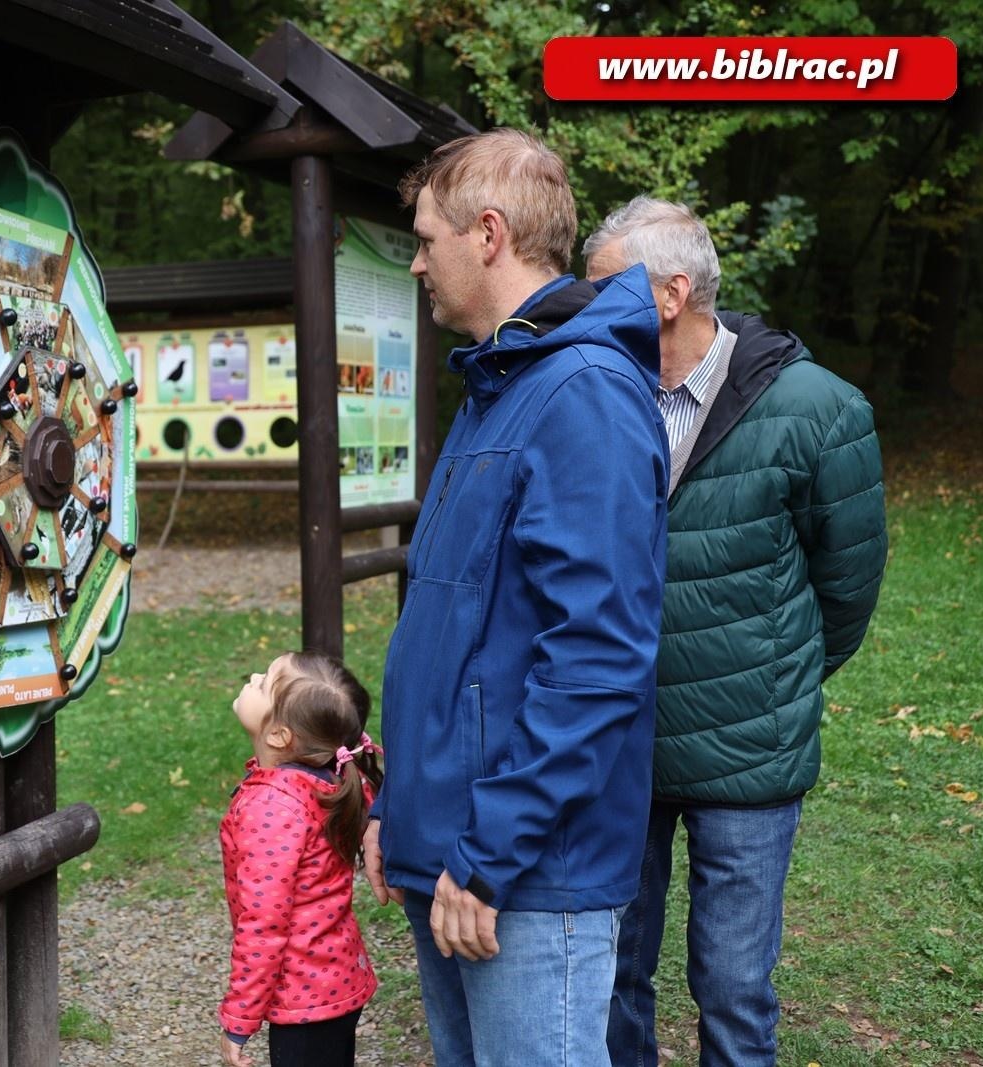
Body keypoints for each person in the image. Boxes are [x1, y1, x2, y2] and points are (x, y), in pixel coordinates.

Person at [361, 128, 669, 1066]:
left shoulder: (584, 394)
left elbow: (599, 656)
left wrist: (491, 851)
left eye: (425, 238)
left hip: (526, 879)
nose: (416, 262)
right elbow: (460, 628)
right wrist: (398, 807)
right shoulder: (503, 383)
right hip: (456, 851)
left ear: (487, 233)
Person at [583, 197, 888, 1067]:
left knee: (734, 986)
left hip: (748, 748)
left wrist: (773, 676)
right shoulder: (596, 398)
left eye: (605, 290)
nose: (584, 305)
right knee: (613, 970)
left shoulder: (819, 408)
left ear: (671, 295)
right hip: (621, 738)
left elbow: (847, 583)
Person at [218, 651, 384, 1067]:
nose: (254, 675)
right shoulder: (328, 781)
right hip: (337, 980)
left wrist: (240, 1016)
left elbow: (264, 925)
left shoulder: (272, 808)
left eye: (264, 683)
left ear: (279, 736)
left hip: (305, 1001)